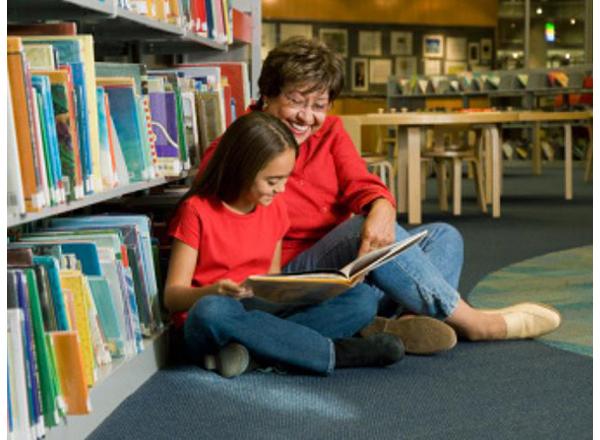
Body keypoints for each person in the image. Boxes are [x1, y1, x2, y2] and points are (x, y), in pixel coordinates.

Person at [199, 37, 561, 347]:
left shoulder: (330, 132)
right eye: (296, 101)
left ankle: (393, 324)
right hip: (288, 272)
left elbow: (362, 182)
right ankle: (473, 322)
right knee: (361, 229)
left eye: (318, 106)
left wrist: (382, 205)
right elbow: (216, 226)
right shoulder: (238, 146)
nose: (306, 117)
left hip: (350, 264)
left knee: (444, 236)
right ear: (266, 94)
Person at [164, 111, 406, 378]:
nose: (281, 189)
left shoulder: (275, 206)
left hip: (256, 310)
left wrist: (311, 290)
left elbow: (272, 279)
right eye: (272, 181)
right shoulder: (196, 211)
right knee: (211, 311)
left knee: (361, 299)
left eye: (285, 178)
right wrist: (214, 291)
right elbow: (173, 297)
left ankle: (253, 355)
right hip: (214, 317)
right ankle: (336, 354)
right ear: (241, 170)